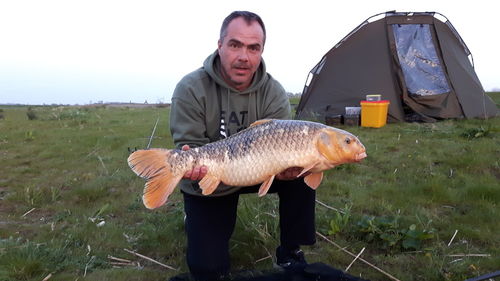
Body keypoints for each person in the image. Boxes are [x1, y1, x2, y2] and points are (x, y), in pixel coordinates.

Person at [169, 11, 316, 281]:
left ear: (261, 51)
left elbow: (286, 145)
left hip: (260, 170)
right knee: (208, 270)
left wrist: (289, 170)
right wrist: (192, 165)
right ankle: (199, 225)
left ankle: (290, 251)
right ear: (220, 46)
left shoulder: (274, 92)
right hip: (211, 177)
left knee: (307, 173)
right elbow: (188, 145)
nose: (243, 57)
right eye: (235, 45)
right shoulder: (191, 88)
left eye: (253, 48)